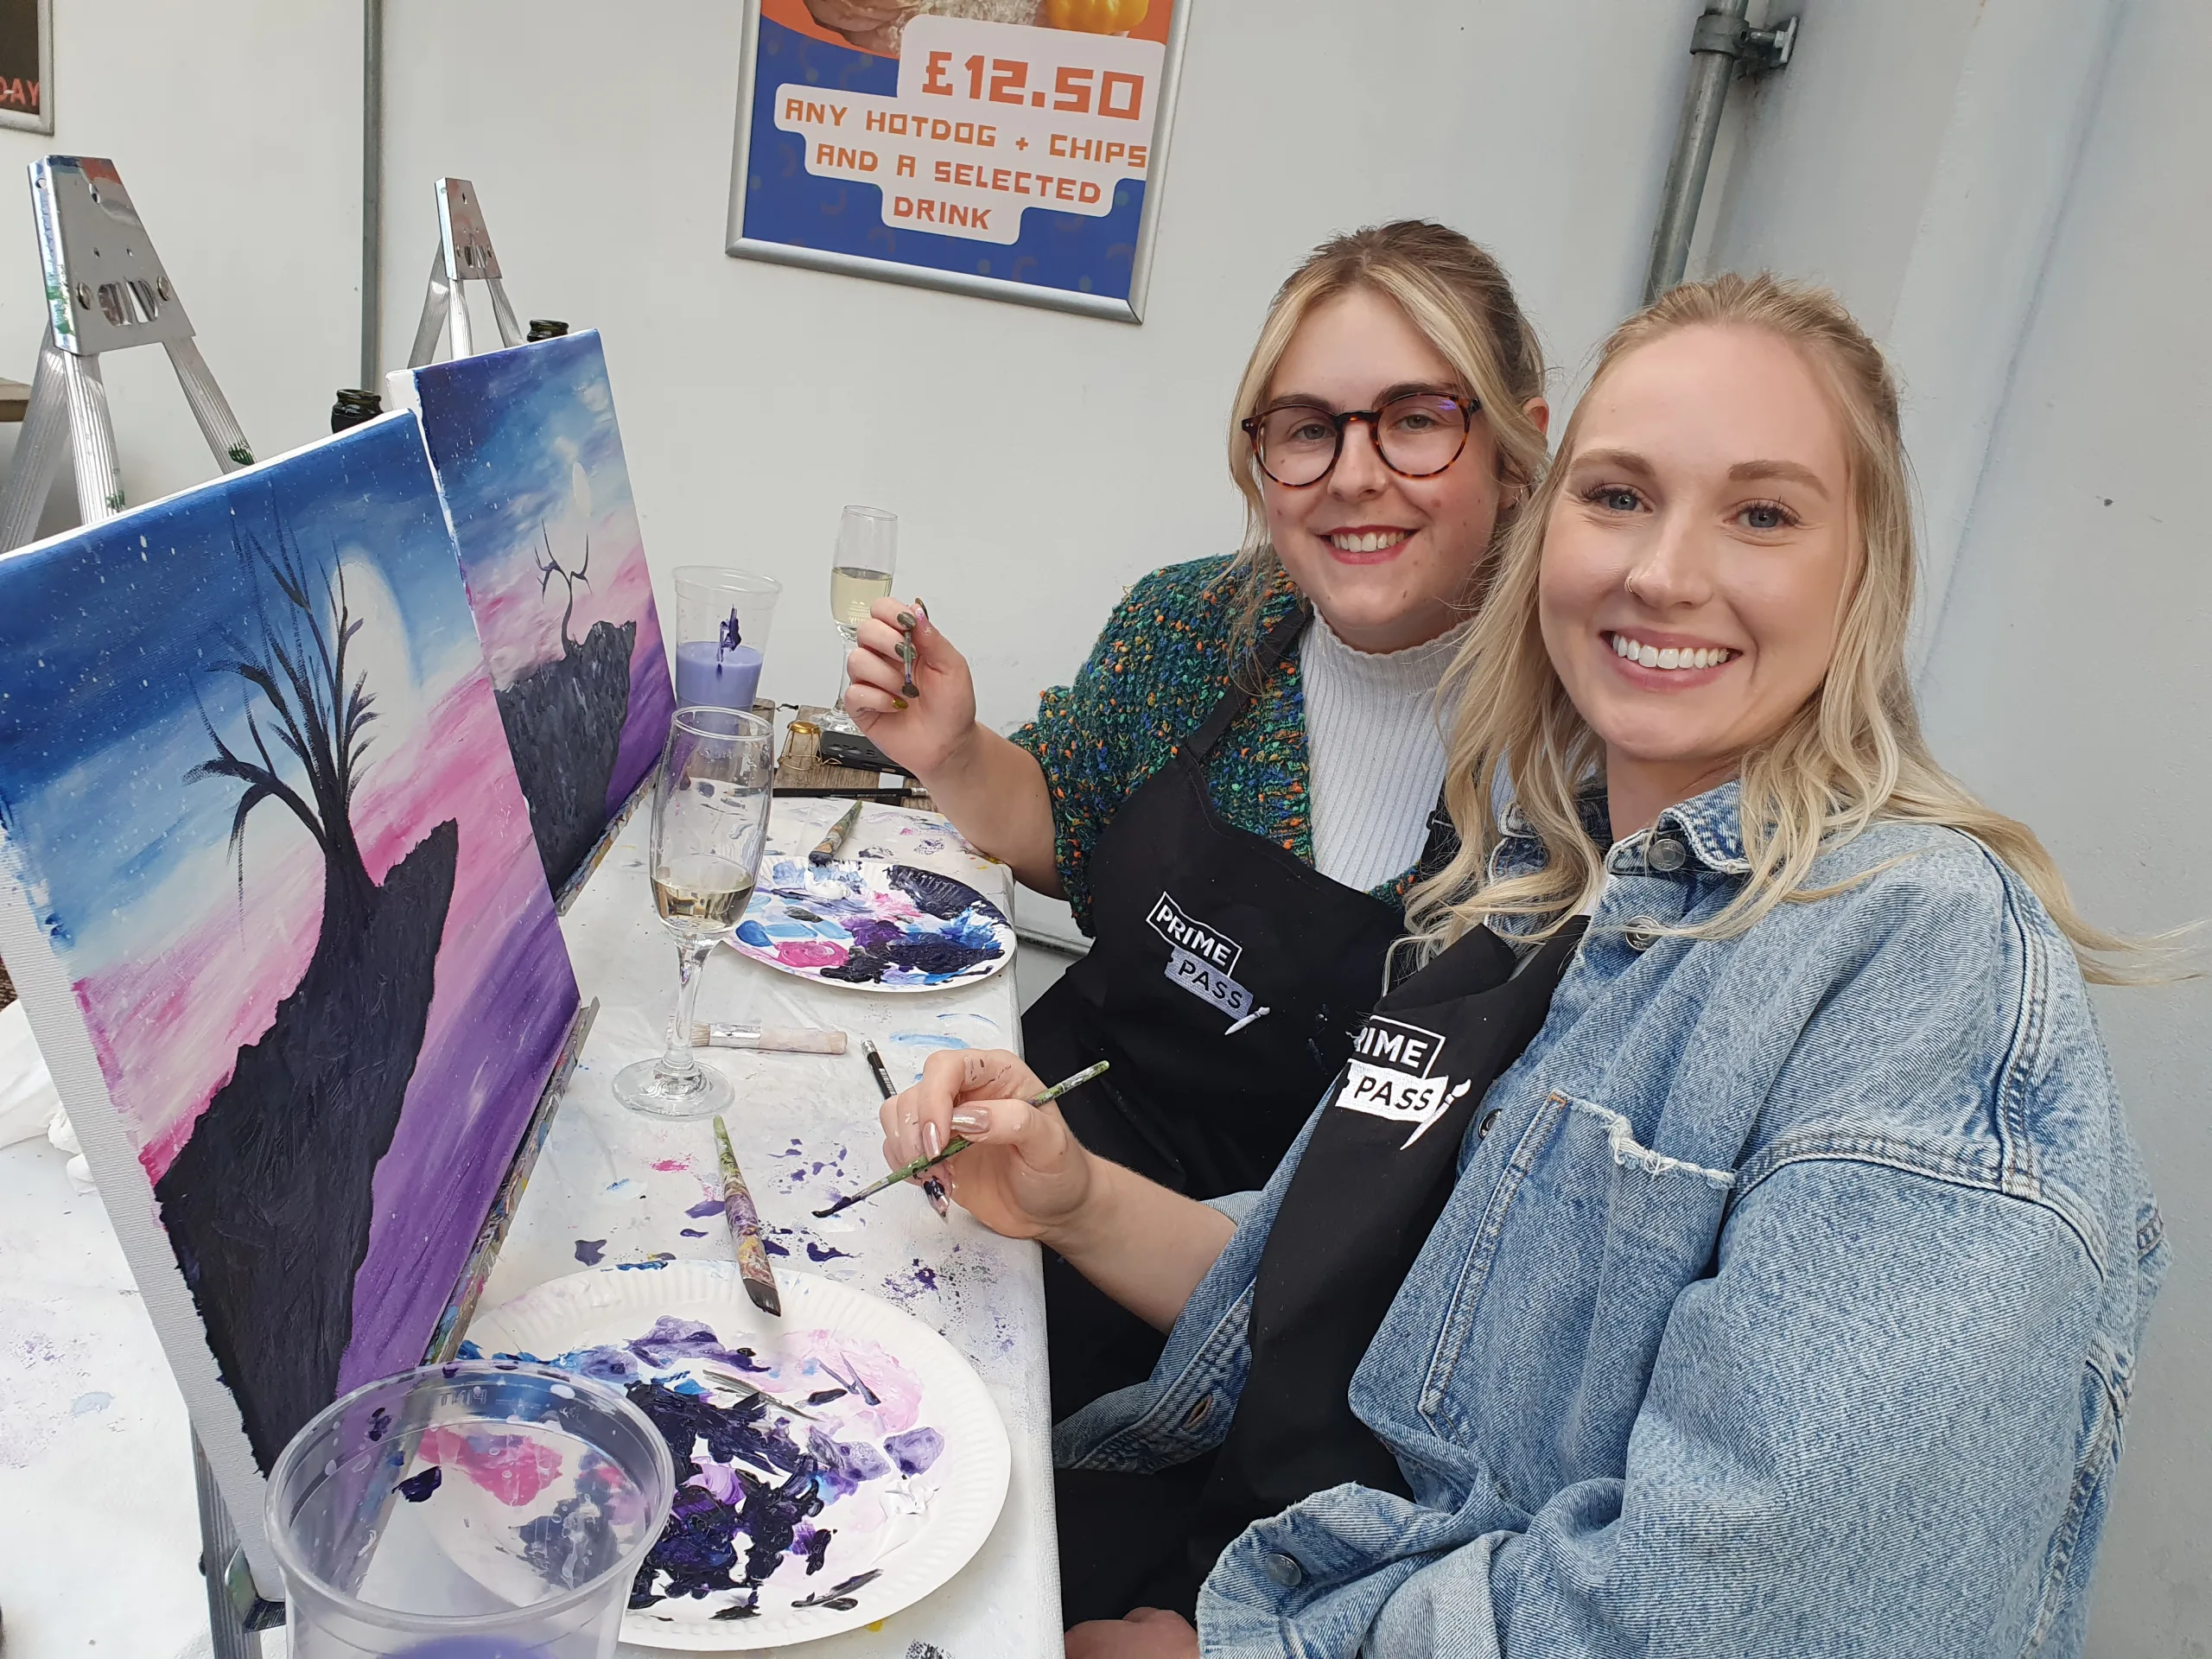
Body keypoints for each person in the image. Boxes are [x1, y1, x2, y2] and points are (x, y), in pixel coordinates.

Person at [876, 273, 2167, 1657]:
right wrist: (1073, 1196)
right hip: (1217, 1530)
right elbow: (1315, 1301)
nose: (1663, 571)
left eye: (1763, 514)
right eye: (1620, 497)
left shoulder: (1919, 959)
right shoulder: (1533, 891)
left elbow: (1754, 1613)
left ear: (1867, 571)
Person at [843, 222, 1549, 1410]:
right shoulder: (1191, 627)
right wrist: (956, 752)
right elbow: (1066, 828)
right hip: (1015, 1167)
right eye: (1309, 428)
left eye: (1417, 419)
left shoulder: (1572, 781)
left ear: (1517, 450)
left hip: (1246, 1340)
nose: (1355, 473)